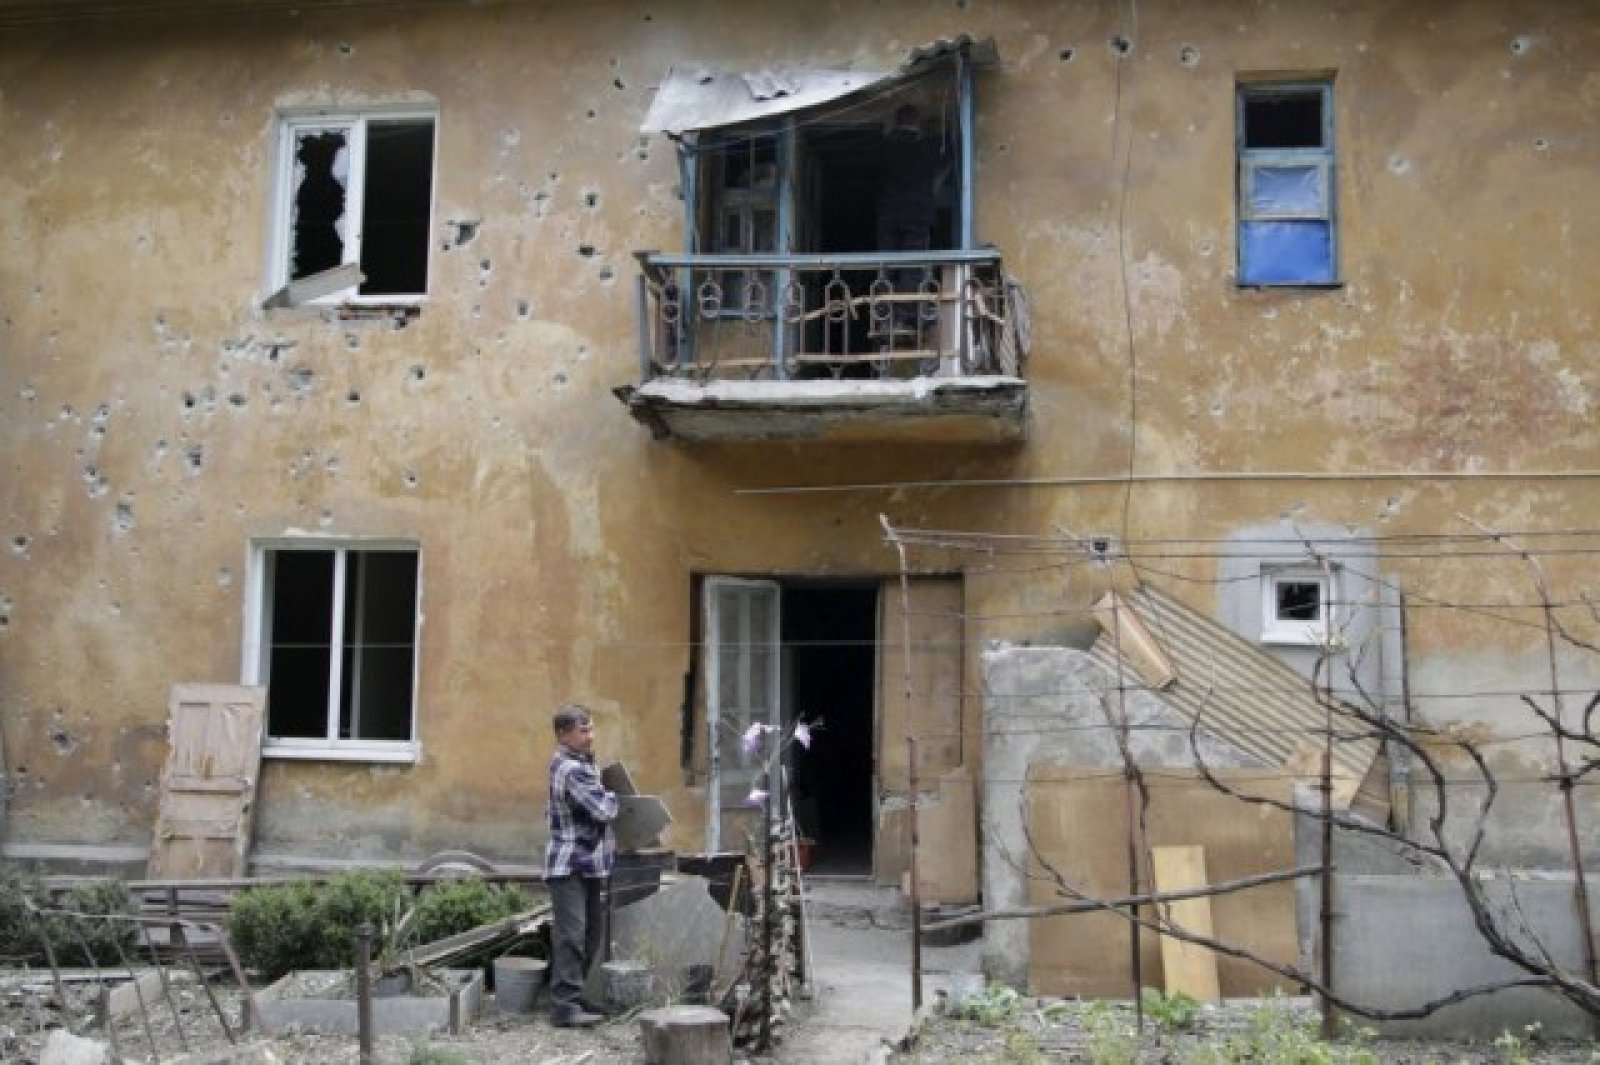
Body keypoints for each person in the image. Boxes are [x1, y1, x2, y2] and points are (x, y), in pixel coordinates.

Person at [543, 703, 618, 1028]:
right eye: (583, 730)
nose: (591, 736)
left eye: (591, 729)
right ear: (564, 734)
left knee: (591, 934)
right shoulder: (570, 768)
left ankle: (574, 996)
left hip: (590, 864)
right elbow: (604, 810)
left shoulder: (584, 764)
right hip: (569, 864)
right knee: (572, 936)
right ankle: (564, 1006)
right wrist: (618, 796)